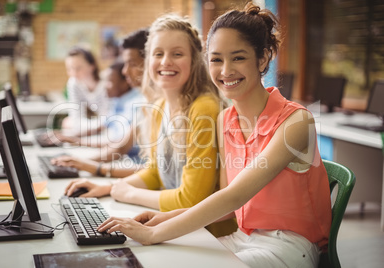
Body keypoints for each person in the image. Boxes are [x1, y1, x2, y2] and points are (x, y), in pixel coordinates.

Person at [97, 3, 332, 268]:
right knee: (158, 260)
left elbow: (234, 197)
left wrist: (153, 233)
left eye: (239, 57)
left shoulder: (296, 121)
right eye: (216, 59)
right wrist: (167, 217)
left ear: (264, 58)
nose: (225, 70)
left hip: (289, 245)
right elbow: (230, 202)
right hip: (242, 237)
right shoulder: (225, 119)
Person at [65, 14, 238, 237]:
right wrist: (109, 188)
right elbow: (156, 172)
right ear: (148, 61)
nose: (166, 61)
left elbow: (190, 199)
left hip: (207, 235)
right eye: (158, 53)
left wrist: (128, 194)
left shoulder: (203, 108)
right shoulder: (159, 106)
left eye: (177, 54)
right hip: (175, 225)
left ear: (194, 61)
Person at [52, 29, 150, 178]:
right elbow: (120, 145)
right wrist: (81, 162)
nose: (125, 71)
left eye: (132, 64)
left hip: (133, 169)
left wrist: (91, 165)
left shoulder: (138, 102)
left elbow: (120, 145)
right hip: (131, 168)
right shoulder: (140, 102)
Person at [61, 46, 109, 136]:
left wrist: (78, 125)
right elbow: (76, 121)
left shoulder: (107, 83)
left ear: (92, 66)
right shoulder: (73, 83)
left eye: (78, 68)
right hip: (98, 130)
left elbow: (111, 121)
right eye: (69, 69)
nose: (73, 73)